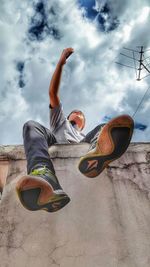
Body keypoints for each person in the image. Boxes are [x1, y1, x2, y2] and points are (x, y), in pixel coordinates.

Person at [16, 48, 134, 213]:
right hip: (56, 141)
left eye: (81, 115)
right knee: (31, 125)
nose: (78, 113)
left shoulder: (84, 135)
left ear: (84, 124)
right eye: (75, 113)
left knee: (102, 128)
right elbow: (52, 93)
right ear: (69, 116)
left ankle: (97, 154)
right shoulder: (60, 121)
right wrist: (60, 64)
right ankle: (44, 176)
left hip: (84, 145)